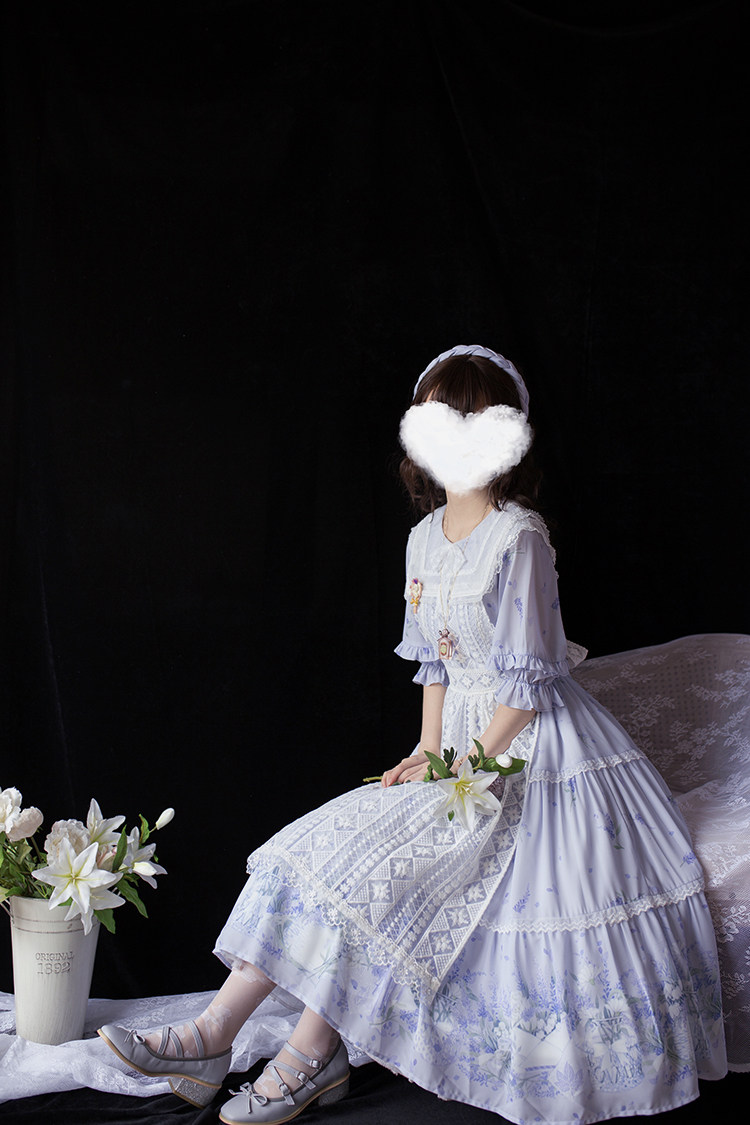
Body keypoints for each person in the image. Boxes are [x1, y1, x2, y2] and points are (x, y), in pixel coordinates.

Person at [98, 345, 727, 1125]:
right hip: (460, 745)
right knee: (330, 855)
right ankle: (215, 1034)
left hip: (533, 748)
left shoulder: (519, 536)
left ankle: (303, 1051)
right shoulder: (424, 537)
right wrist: (429, 750)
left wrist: (472, 764)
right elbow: (434, 663)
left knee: (407, 881)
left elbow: (527, 681)